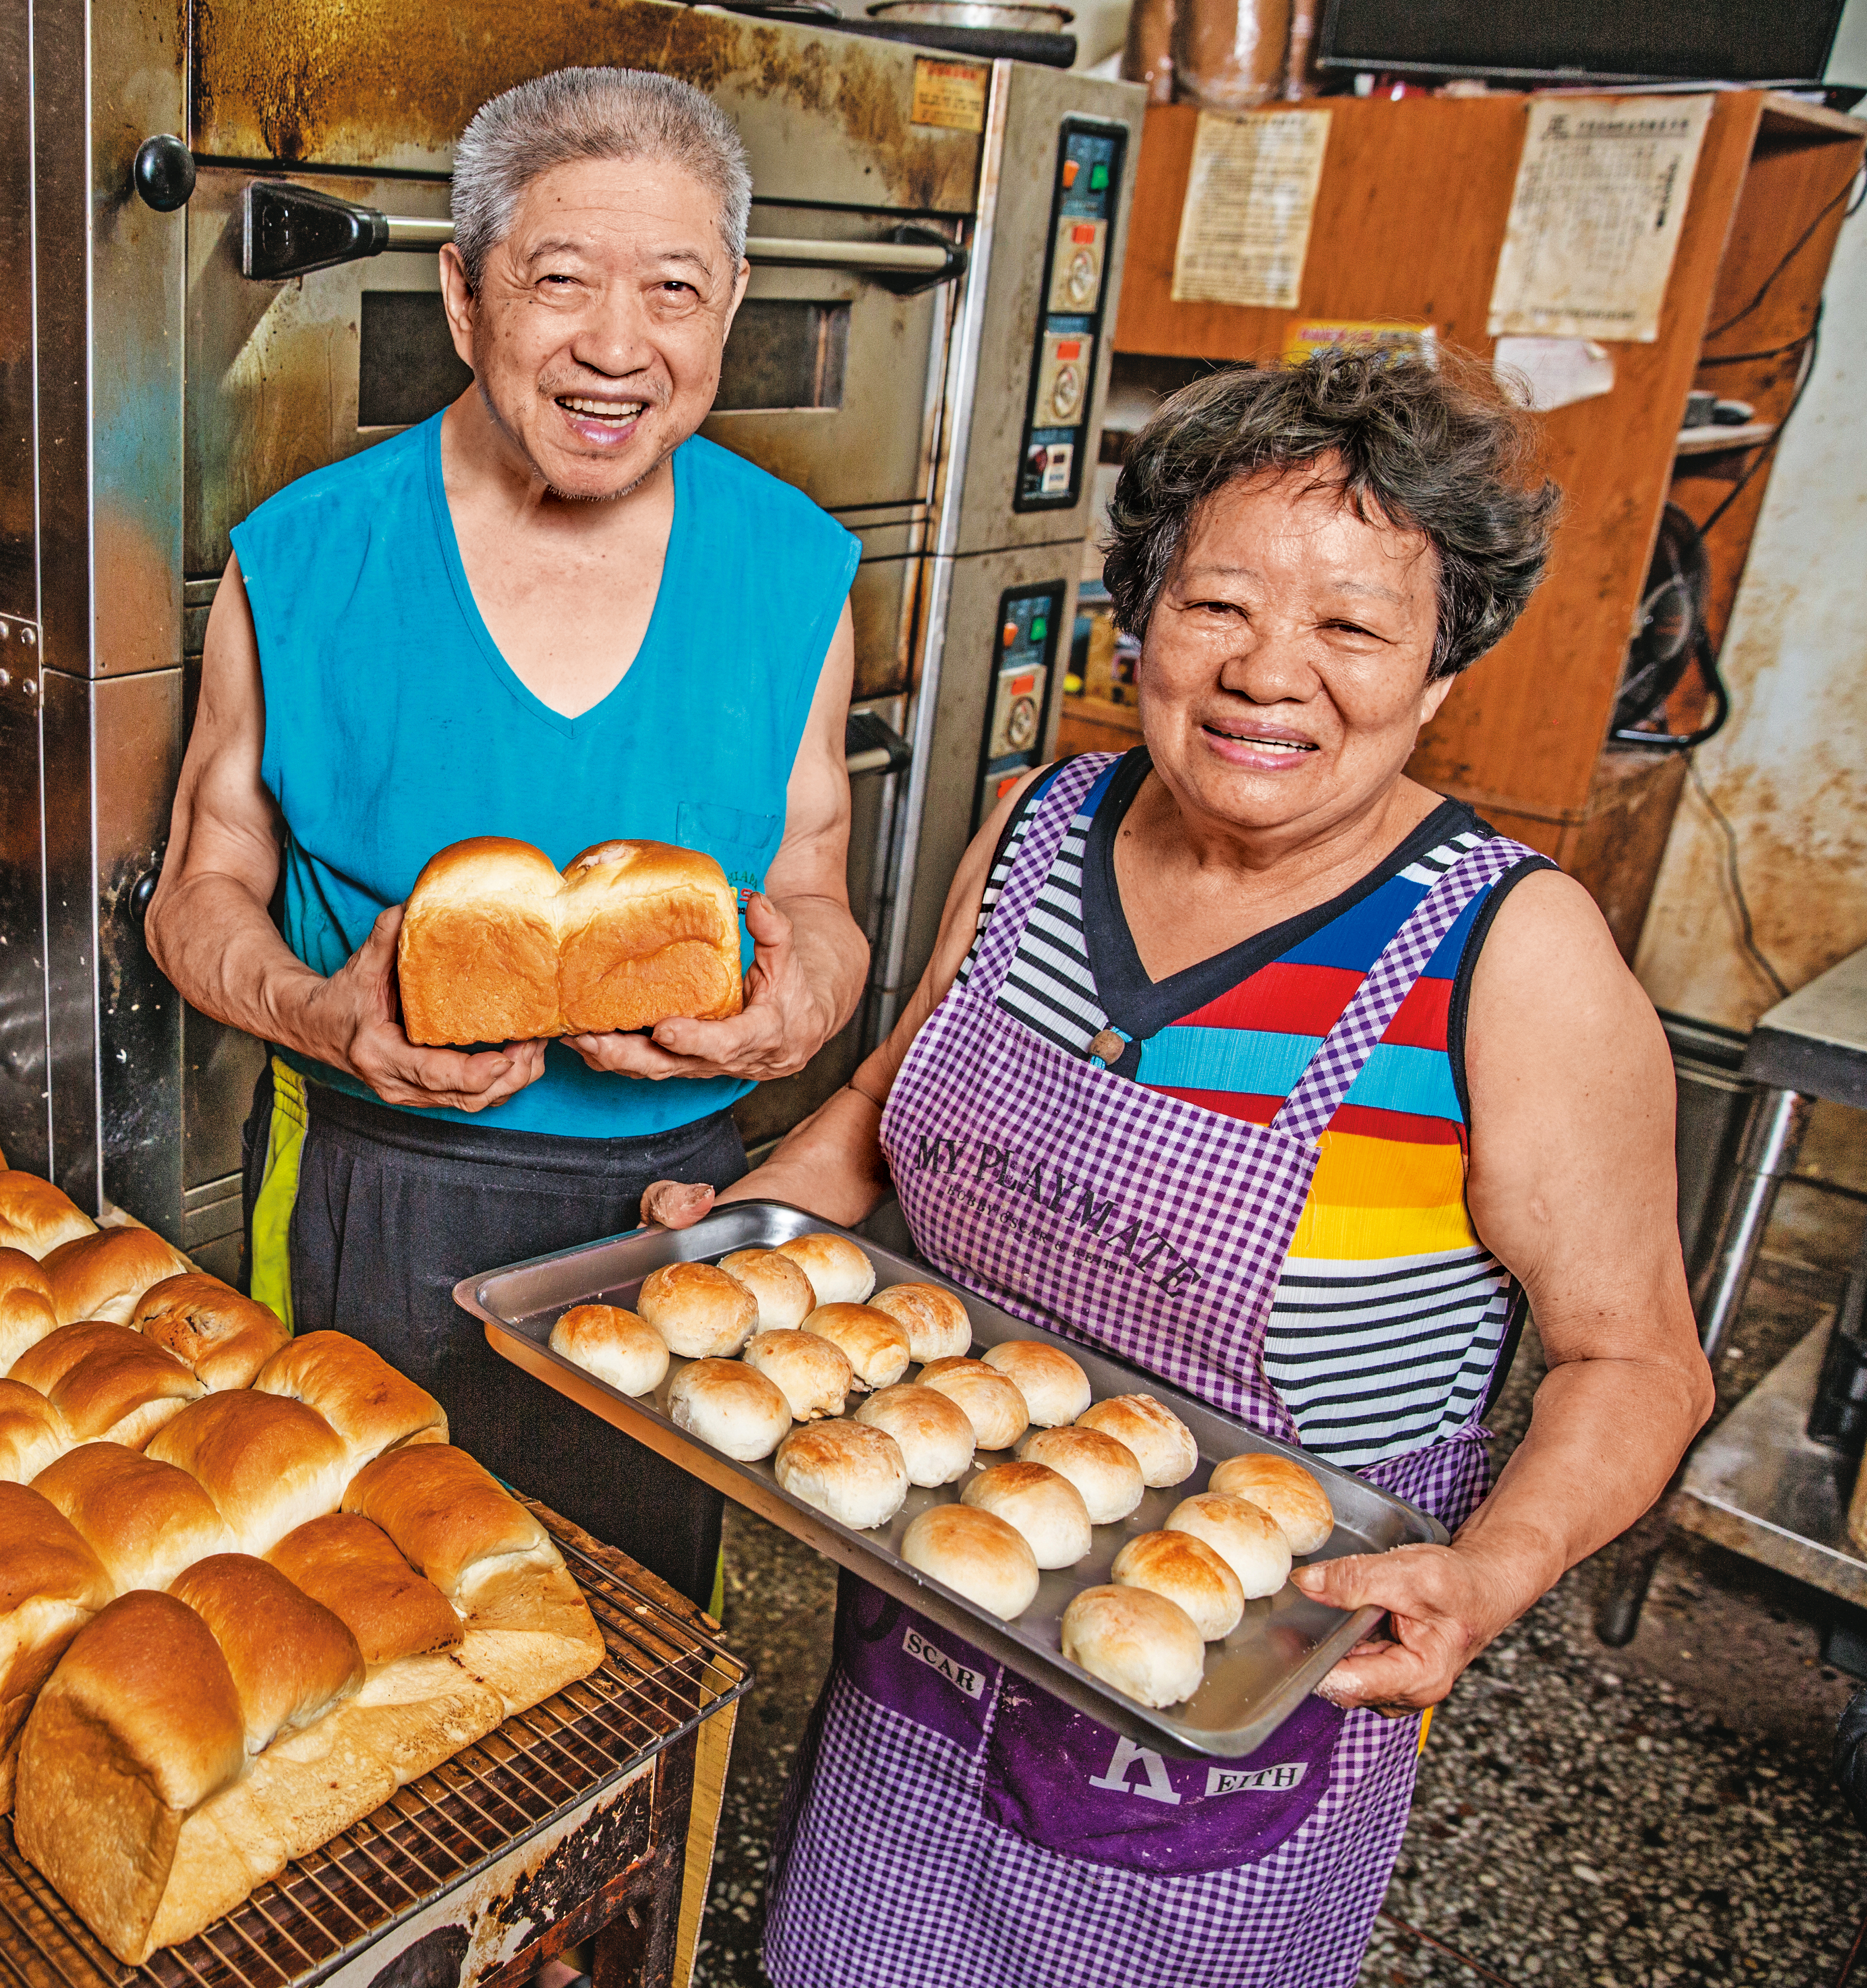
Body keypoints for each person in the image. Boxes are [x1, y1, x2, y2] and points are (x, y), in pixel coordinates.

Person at [644, 350, 1716, 1984]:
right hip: (939, 1626)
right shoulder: (1044, 824)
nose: (1269, 673)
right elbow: (876, 1104)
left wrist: (1490, 1575)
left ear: (1440, 669)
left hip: (1235, 1726)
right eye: (1216, 605)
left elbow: (1637, 1362)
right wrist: (738, 1237)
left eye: (1354, 627)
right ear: (1139, 618)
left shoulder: (1510, 953)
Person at [145, 66, 867, 1606]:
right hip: (369, 1184)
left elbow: (817, 888)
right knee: (349, 1608)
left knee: (637, 1631)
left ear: (730, 306)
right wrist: (319, 1012)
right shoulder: (305, 558)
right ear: (465, 300)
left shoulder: (794, 566)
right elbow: (200, 890)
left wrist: (798, 1005)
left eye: (673, 289)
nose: (617, 346)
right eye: (560, 282)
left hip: (675, 1216)